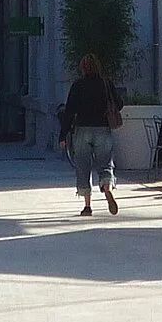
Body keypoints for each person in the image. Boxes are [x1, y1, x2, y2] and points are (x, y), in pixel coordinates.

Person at [59, 54, 121, 217]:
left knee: (82, 166)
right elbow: (119, 104)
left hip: (82, 129)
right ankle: (106, 186)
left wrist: (63, 135)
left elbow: (69, 111)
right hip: (102, 128)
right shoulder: (106, 84)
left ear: (83, 68)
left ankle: (87, 206)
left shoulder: (78, 85)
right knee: (105, 163)